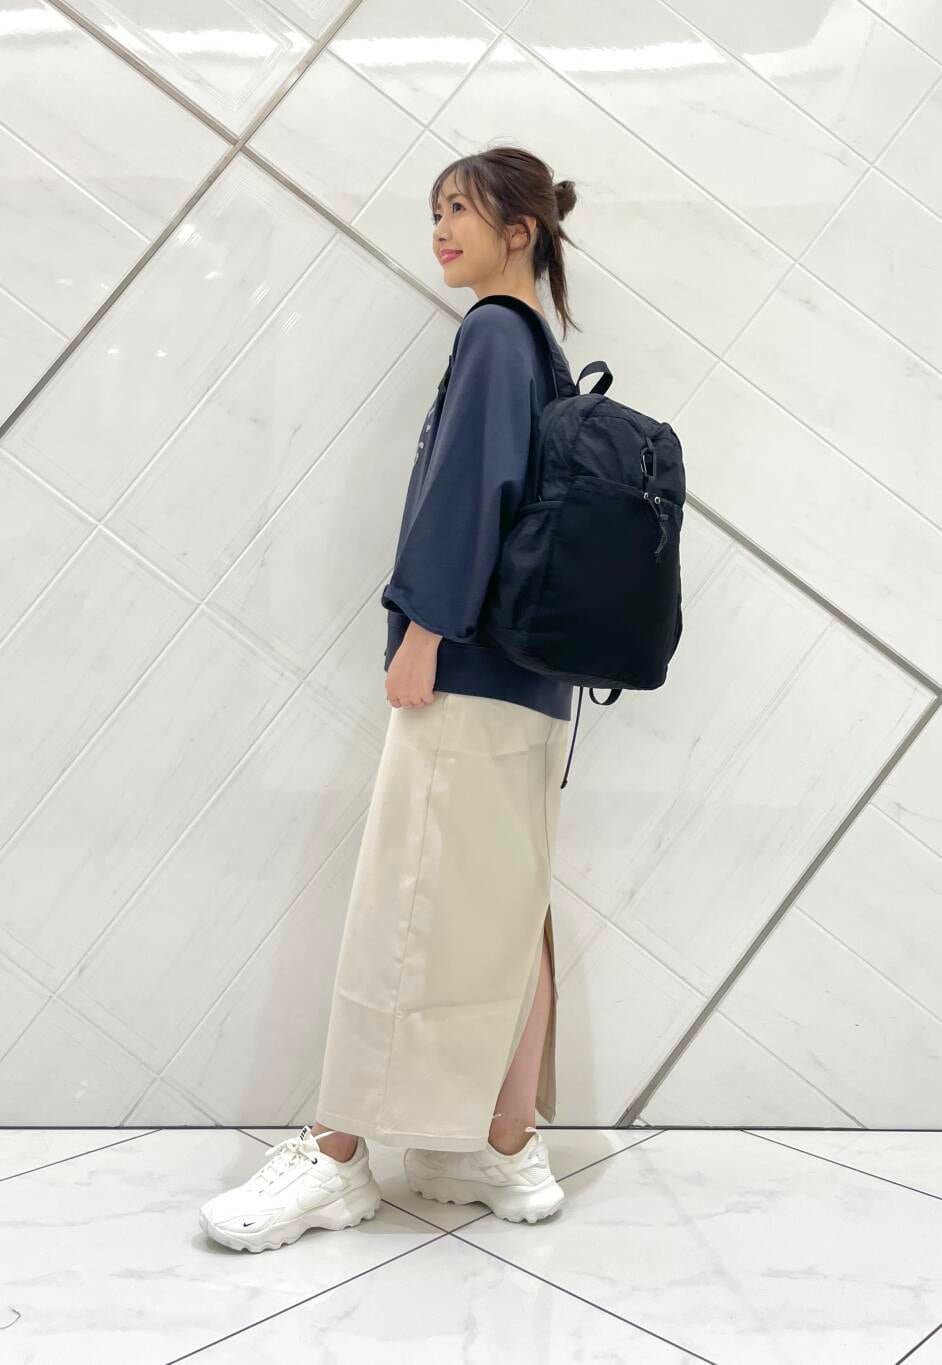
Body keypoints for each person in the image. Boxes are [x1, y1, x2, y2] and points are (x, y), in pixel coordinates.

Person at [199, 147, 581, 1253]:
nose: (440, 230)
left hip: (465, 663)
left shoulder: (494, 334)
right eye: (434, 212)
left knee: (401, 905)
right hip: (533, 681)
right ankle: (504, 1147)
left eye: (459, 209)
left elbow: (470, 493)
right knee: (505, 909)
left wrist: (424, 629)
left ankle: (336, 1156)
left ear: (519, 229)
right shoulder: (545, 350)